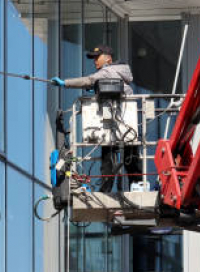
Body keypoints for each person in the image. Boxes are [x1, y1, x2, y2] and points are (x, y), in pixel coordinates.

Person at [51, 45, 141, 192]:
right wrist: (98, 89)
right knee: (131, 157)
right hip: (126, 123)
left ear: (108, 58)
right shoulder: (119, 72)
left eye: (97, 57)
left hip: (113, 122)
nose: (95, 61)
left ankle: (106, 190)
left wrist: (65, 83)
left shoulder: (108, 70)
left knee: (108, 157)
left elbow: (89, 80)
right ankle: (137, 186)